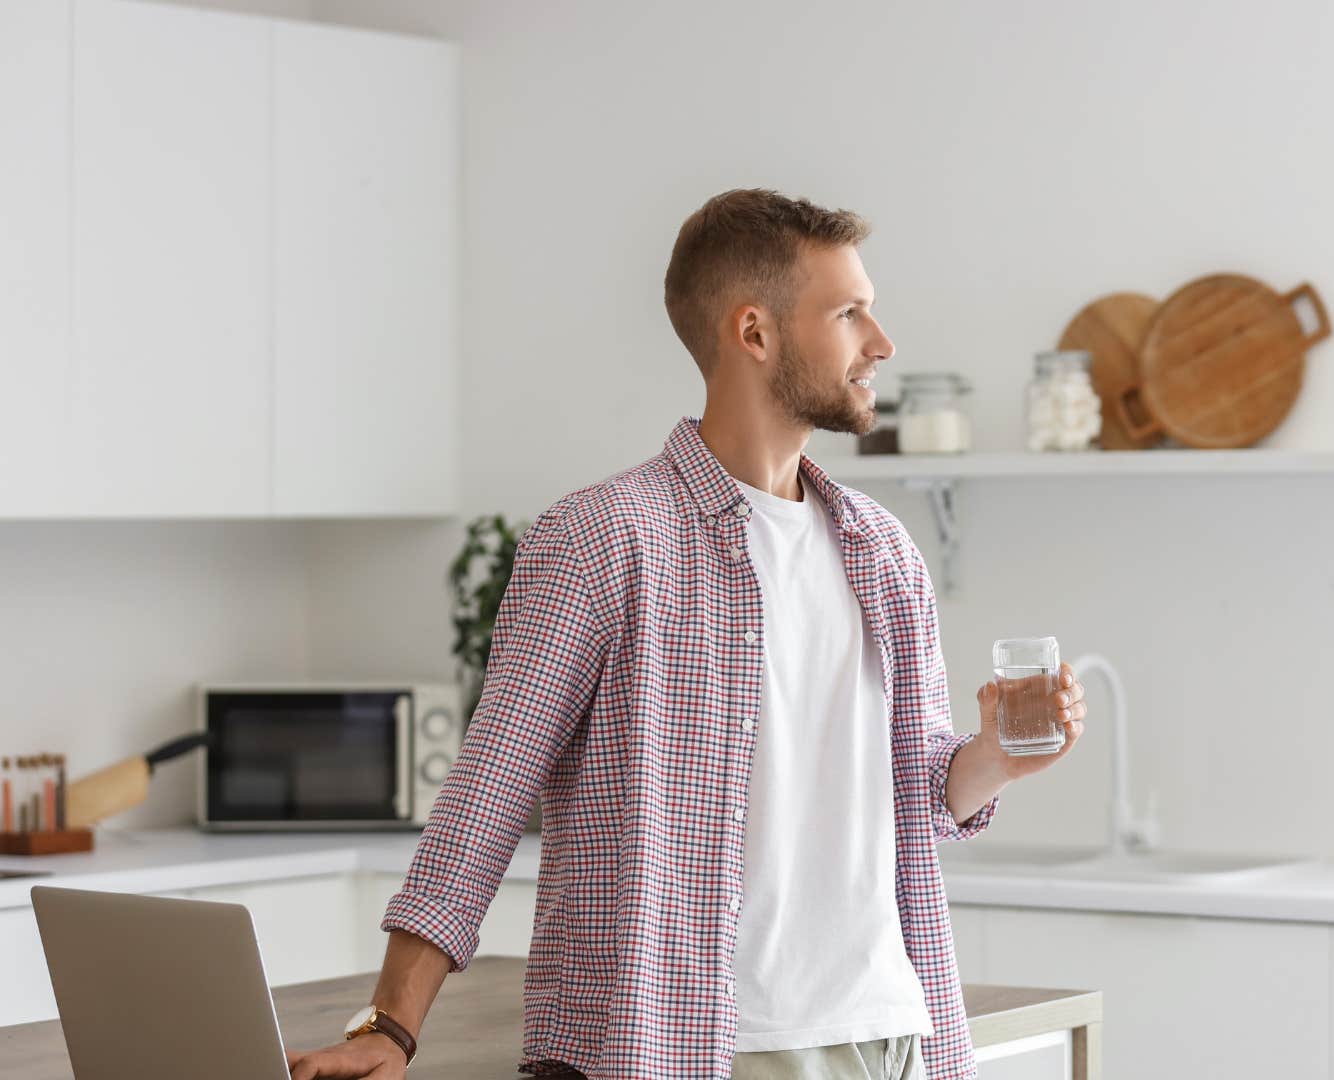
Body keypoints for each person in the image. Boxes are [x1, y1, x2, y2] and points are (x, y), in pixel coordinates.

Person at [286, 188, 1087, 1080]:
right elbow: (487, 796)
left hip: (887, 1035)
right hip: (695, 1047)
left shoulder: (881, 550)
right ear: (755, 332)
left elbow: (914, 792)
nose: (882, 344)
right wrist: (390, 1027)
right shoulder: (604, 539)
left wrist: (994, 758)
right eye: (850, 312)